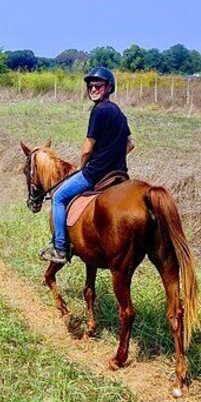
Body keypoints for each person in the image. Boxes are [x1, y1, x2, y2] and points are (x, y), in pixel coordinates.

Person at [39, 66, 134, 264]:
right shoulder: (119, 113)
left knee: (58, 196)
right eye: (90, 86)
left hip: (96, 174)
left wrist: (82, 166)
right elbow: (130, 144)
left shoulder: (99, 111)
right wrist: (112, 155)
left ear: (109, 88)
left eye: (98, 86)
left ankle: (60, 247)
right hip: (119, 175)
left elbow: (87, 148)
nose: (93, 89)